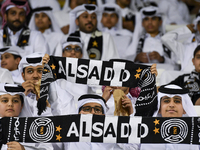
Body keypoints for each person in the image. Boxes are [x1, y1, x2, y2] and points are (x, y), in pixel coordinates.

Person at [64, 94, 138, 150]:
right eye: (87, 109)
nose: (93, 112)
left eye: (97, 110)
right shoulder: (67, 132)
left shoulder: (112, 133)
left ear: (103, 115)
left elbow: (132, 147)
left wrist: (129, 117)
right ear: (79, 113)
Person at [140, 84, 199, 150]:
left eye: (177, 101)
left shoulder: (197, 133)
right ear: (159, 108)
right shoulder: (143, 130)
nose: (171, 105)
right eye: (166, 101)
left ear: (184, 109)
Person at [0, 83, 53, 150]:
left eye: (15, 101)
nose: (10, 104)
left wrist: (24, 149)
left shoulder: (36, 128)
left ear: (22, 106)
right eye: (5, 101)